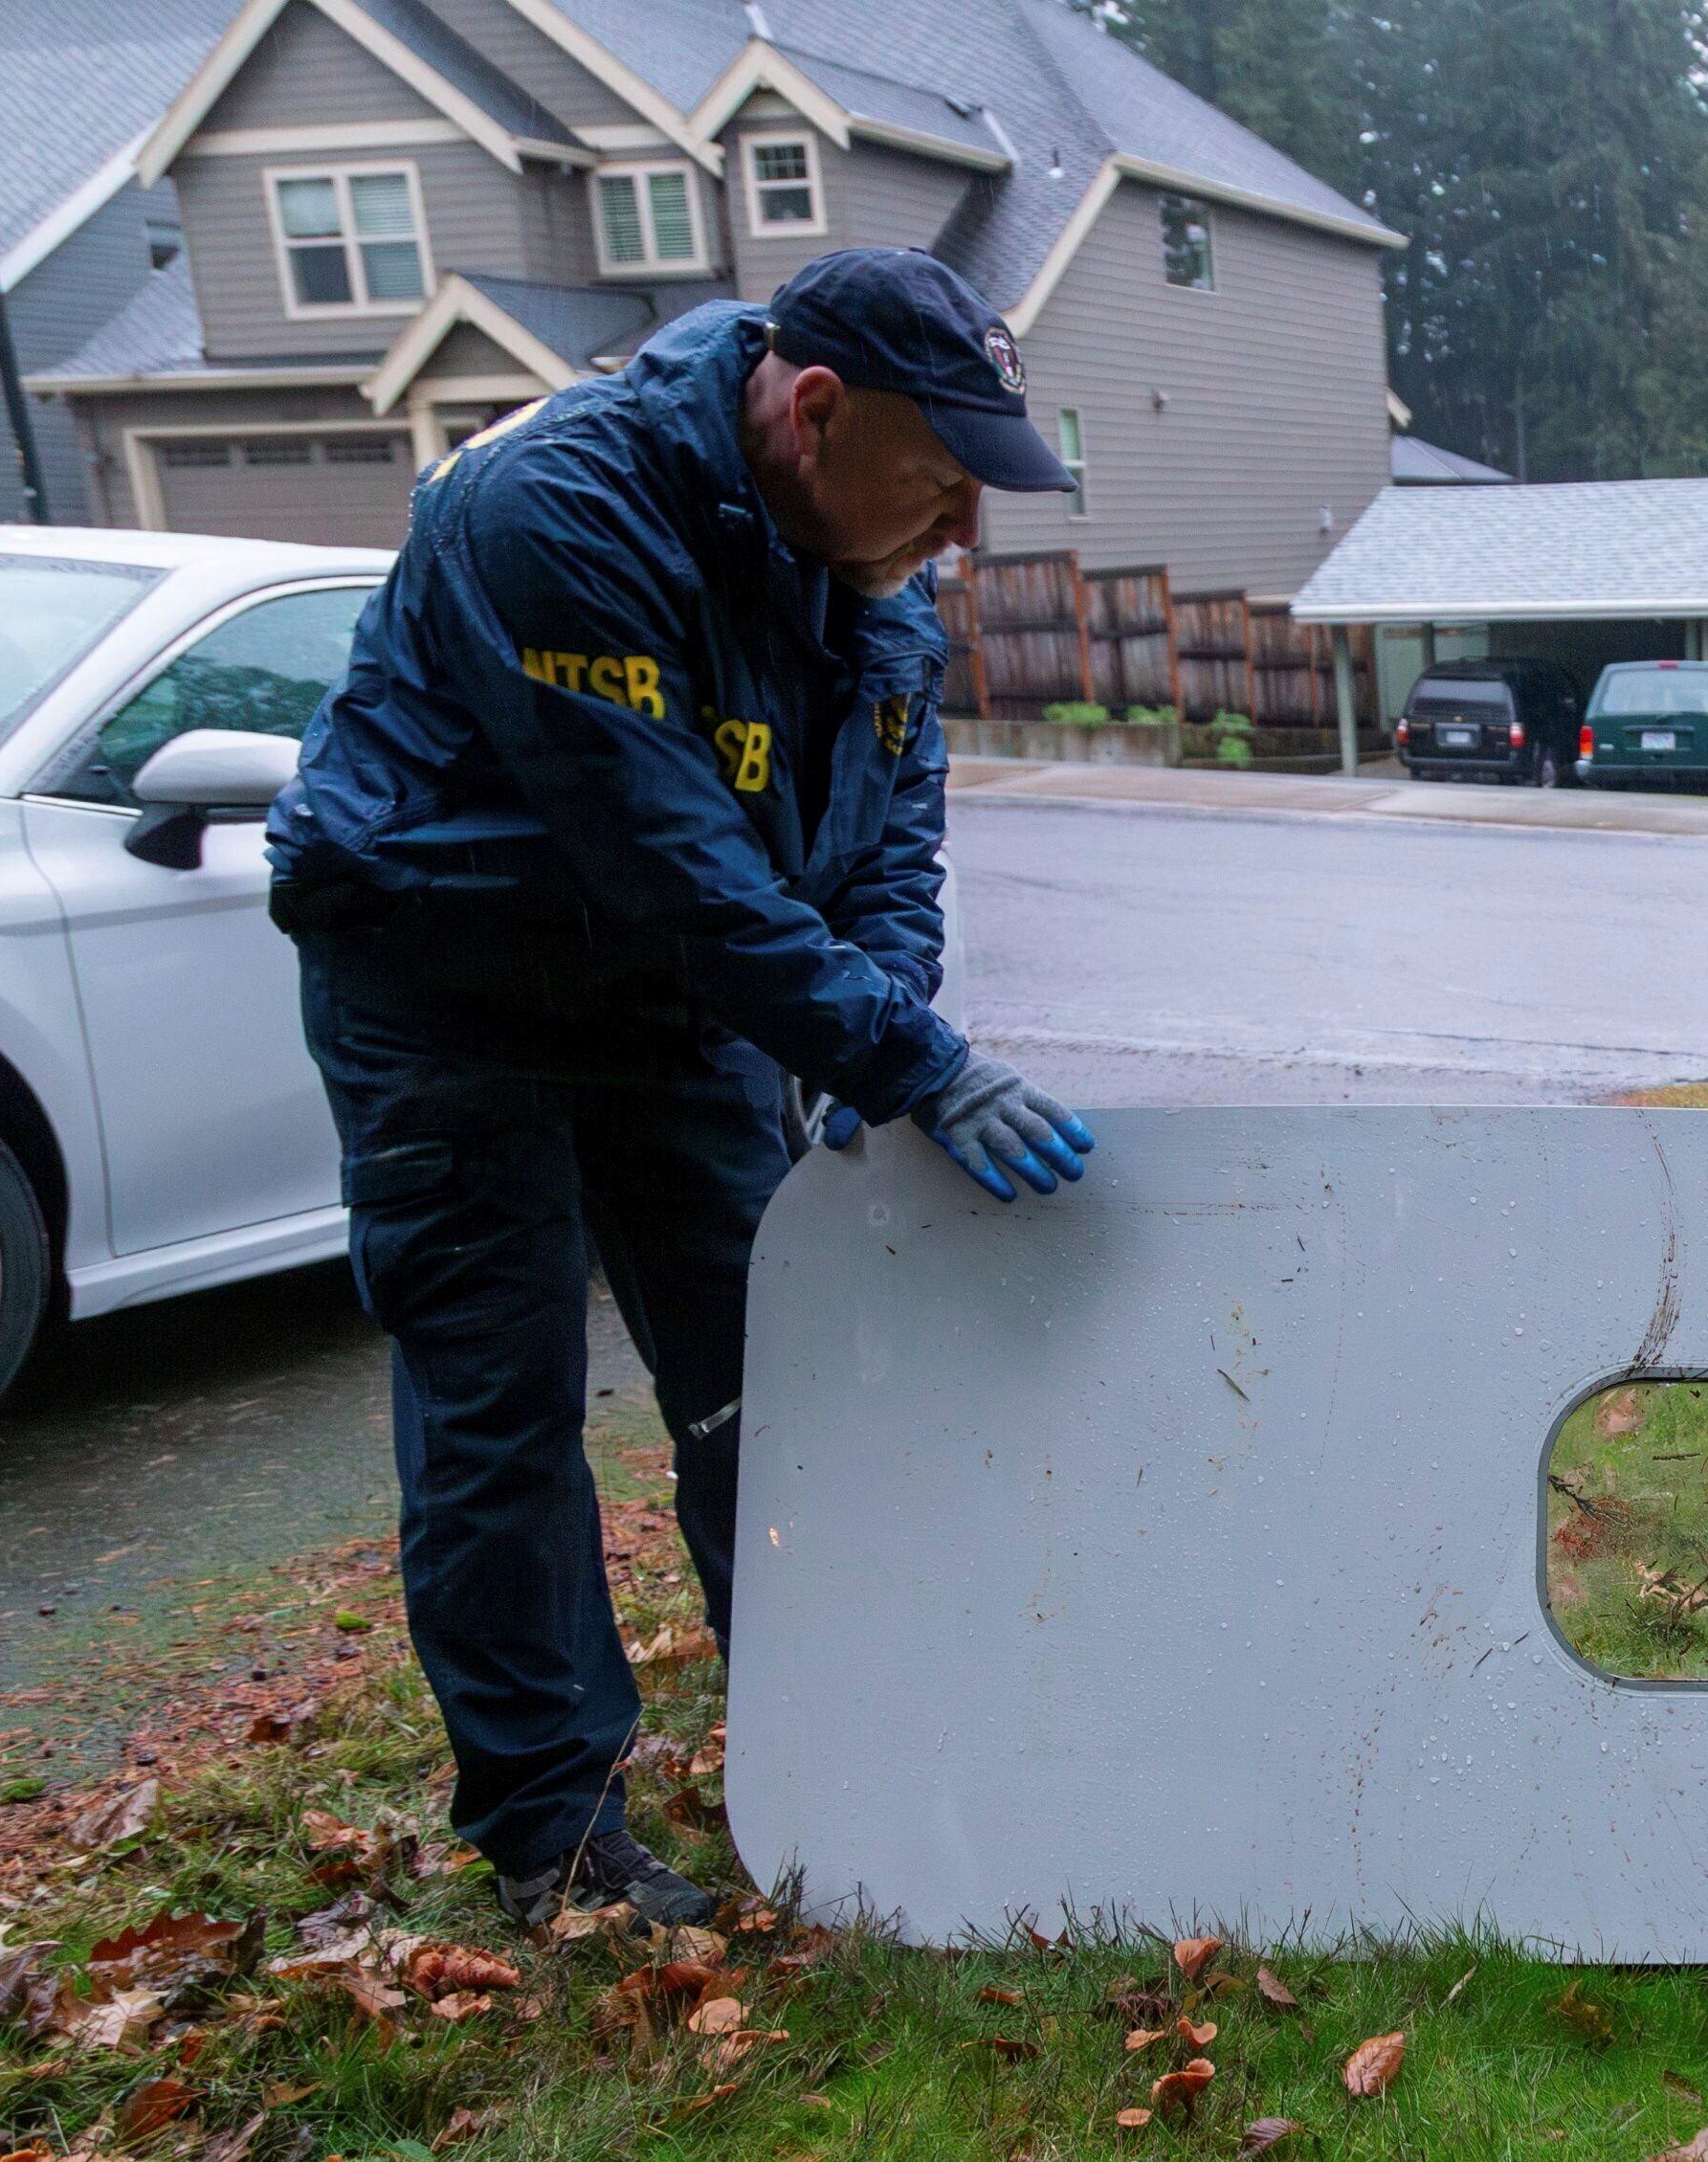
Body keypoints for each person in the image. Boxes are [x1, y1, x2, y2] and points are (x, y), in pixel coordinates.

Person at [268, 249, 1100, 1930]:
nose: (963, 537)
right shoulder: (554, 508)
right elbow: (674, 861)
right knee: (503, 1410)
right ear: (813, 414)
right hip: (448, 983)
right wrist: (907, 1060)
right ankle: (554, 1833)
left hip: (675, 998)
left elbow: (888, 846)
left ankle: (830, 1739)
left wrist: (886, 1029)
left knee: (773, 1388)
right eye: (942, 484)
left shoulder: (871, 580)